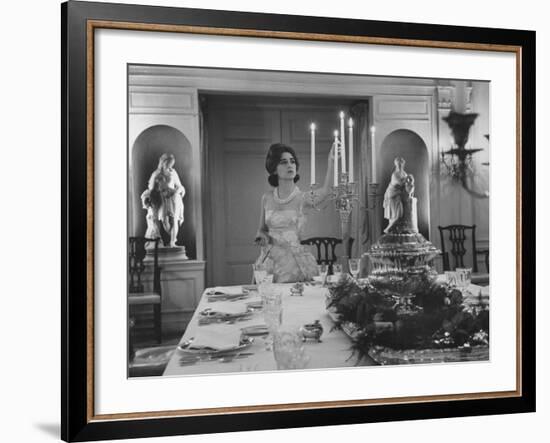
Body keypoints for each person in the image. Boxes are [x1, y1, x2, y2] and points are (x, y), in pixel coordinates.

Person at [254, 143, 334, 283]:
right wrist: (262, 237)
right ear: (274, 169)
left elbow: (327, 191)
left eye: (292, 161)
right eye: (283, 162)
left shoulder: (303, 198)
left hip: (294, 264)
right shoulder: (266, 198)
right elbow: (261, 230)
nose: (290, 165)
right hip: (269, 261)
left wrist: (331, 161)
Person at [143, 153, 186, 247]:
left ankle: (173, 242)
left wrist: (178, 190)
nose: (170, 166)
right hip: (162, 199)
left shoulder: (173, 172)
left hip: (173, 198)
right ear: (163, 162)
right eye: (169, 164)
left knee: (174, 219)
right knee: (164, 221)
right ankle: (166, 240)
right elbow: (151, 189)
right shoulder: (156, 174)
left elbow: (180, 186)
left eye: (172, 164)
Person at [383, 157, 418, 233]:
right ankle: (388, 229)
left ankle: (390, 229)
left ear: (403, 164)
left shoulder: (404, 173)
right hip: (392, 195)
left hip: (398, 196)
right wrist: (408, 179)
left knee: (400, 214)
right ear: (396, 165)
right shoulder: (394, 174)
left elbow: (408, 184)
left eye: (401, 164)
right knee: (397, 215)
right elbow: (399, 183)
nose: (399, 166)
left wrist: (411, 181)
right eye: (398, 164)